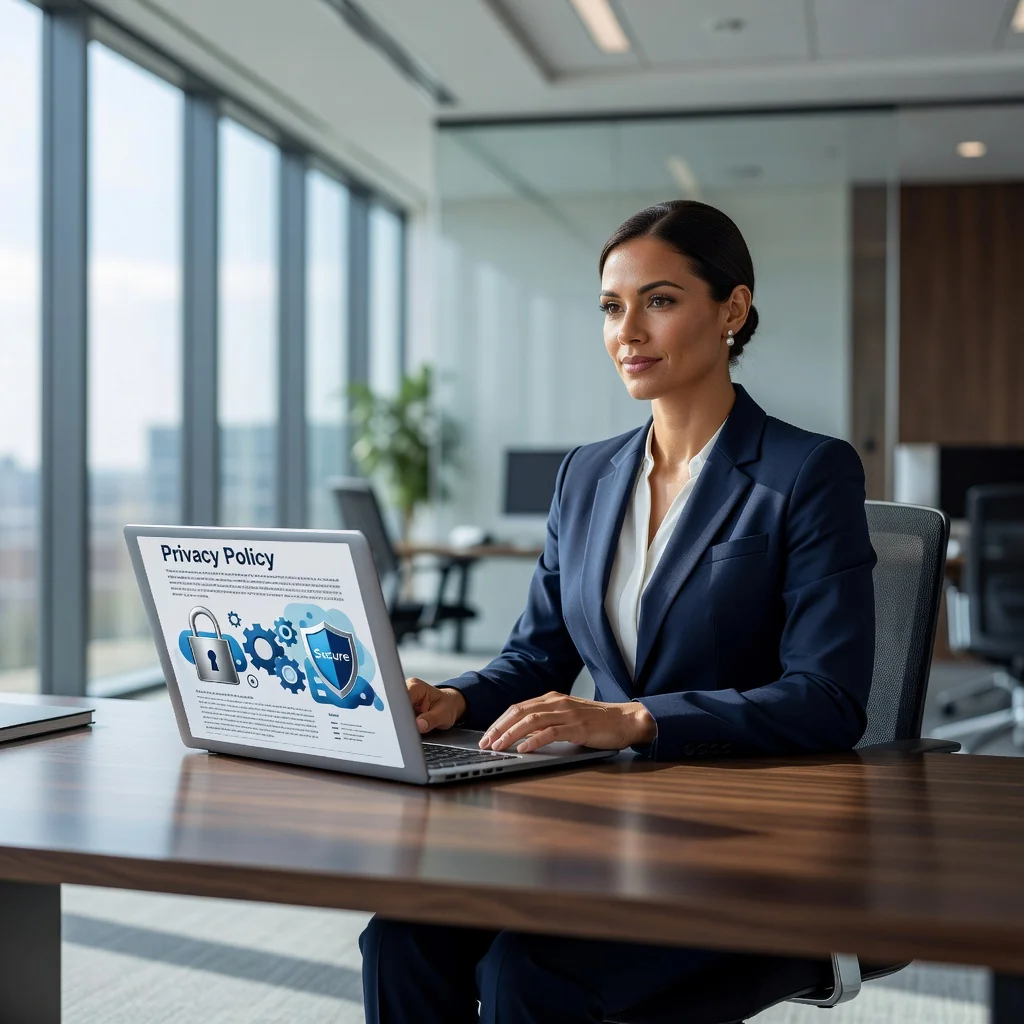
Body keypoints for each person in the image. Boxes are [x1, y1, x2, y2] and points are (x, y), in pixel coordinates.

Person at [360, 200, 876, 1023]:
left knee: (531, 975)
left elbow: (828, 699)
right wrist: (454, 700)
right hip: (600, 822)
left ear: (732, 311)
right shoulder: (587, 475)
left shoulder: (806, 472)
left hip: (740, 836)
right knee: (401, 937)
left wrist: (634, 719)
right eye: (611, 306)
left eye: (659, 301)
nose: (627, 330)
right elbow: (535, 658)